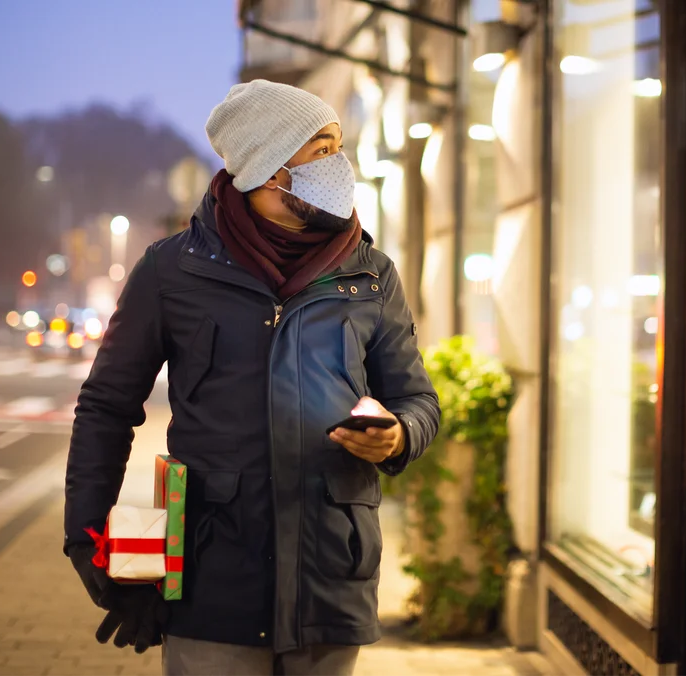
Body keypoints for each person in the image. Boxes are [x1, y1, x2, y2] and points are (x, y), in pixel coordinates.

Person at [63, 79, 441, 676]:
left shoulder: (371, 273)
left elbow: (417, 399)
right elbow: (107, 407)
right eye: (320, 150)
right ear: (268, 171)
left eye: (338, 147)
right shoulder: (172, 269)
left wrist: (398, 434)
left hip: (330, 582)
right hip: (212, 584)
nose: (337, 165)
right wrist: (88, 541)